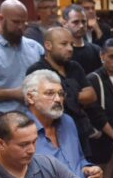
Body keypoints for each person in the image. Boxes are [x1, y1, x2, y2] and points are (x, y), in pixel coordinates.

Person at [0, 0, 44, 146]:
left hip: (34, 120)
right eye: (16, 22)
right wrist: (15, 94)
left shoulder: (35, 48)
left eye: (24, 23)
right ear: (0, 19)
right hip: (0, 123)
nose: (21, 27)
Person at [26, 27, 98, 158]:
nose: (70, 48)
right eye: (64, 44)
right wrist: (74, 92)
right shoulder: (37, 70)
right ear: (48, 45)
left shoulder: (75, 66)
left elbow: (91, 95)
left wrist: (68, 94)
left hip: (80, 129)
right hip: (50, 131)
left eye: (71, 44)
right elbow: (38, 104)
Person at [23, 70, 103, 178]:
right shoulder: (19, 130)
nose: (58, 99)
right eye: (50, 93)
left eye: (61, 94)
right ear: (30, 97)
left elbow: (79, 160)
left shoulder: (68, 121)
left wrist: (88, 170)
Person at [64, 4, 103, 75]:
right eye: (75, 22)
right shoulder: (62, 51)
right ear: (65, 24)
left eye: (84, 21)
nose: (81, 25)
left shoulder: (96, 50)